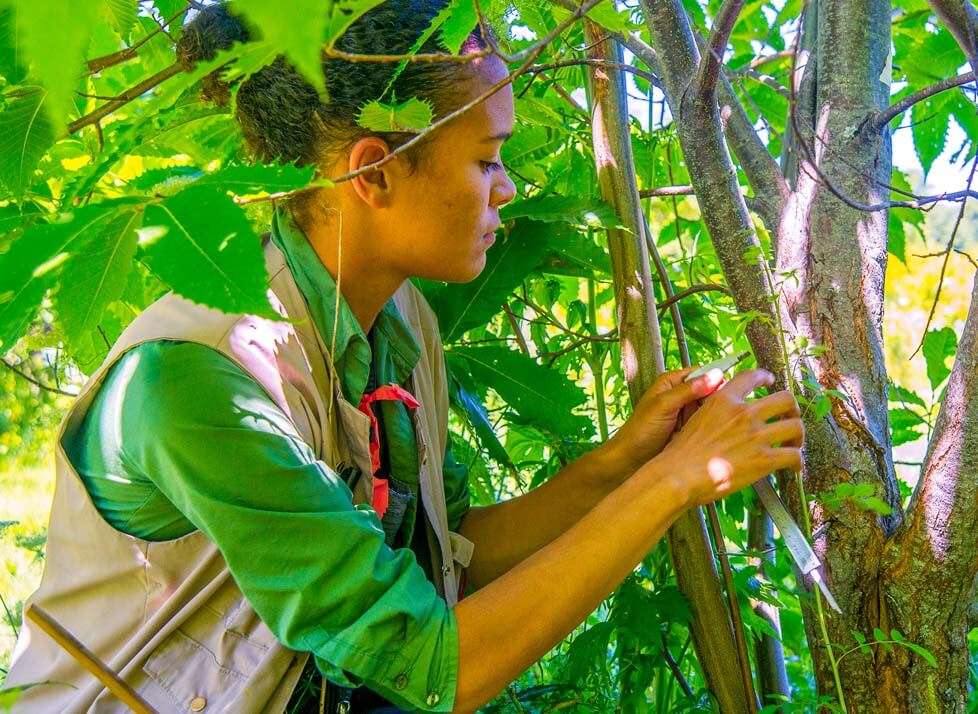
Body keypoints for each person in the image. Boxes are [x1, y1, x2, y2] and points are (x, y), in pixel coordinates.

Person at [2, 3, 804, 712]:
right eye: (486, 159)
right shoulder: (203, 377)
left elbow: (446, 558)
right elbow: (435, 669)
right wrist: (677, 482)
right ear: (375, 171)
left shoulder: (398, 317)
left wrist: (627, 461)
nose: (507, 188)